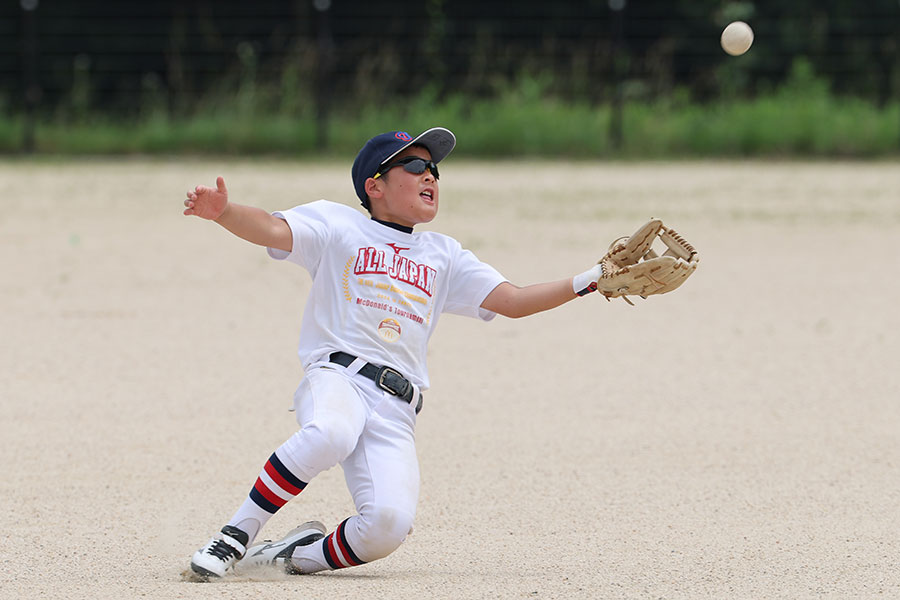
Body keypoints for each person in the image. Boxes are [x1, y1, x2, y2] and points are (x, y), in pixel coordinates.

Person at [184, 127, 603, 579]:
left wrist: (592, 279)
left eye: (435, 169)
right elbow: (269, 226)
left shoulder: (444, 254)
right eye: (417, 166)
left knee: (387, 526)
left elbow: (514, 301)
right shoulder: (338, 224)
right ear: (375, 186)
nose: (431, 177)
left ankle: (290, 556)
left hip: (397, 408)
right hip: (338, 377)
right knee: (331, 432)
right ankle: (234, 535)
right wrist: (224, 212)